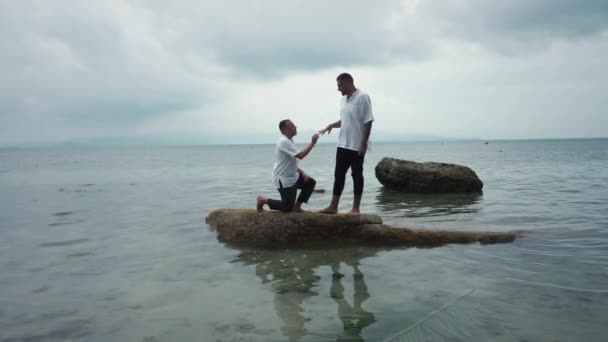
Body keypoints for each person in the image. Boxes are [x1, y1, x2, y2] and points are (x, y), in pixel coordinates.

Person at [318, 73, 374, 216]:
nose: (338, 89)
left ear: (348, 82)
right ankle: (333, 206)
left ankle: (356, 208)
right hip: (342, 144)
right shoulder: (344, 99)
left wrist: (364, 144)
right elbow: (345, 120)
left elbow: (368, 121)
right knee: (339, 175)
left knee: (357, 175)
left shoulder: (363, 97)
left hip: (356, 146)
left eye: (340, 85)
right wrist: (331, 125)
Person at [257, 119, 319, 212]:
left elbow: (290, 162)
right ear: (285, 130)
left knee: (310, 183)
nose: (296, 127)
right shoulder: (284, 142)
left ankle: (297, 207)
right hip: (283, 179)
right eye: (293, 126)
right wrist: (312, 143)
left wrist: (302, 172)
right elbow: (301, 155)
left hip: (293, 176)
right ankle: (263, 200)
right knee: (287, 207)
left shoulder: (289, 141)